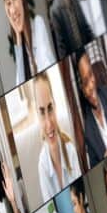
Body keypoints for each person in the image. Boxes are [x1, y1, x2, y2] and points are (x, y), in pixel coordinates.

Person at [1, 0, 56, 86]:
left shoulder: (38, 24)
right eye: (8, 3)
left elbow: (49, 72)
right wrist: (19, 40)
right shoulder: (18, 45)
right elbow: (20, 85)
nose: (13, 9)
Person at [34, 71, 82, 201]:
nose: (49, 123)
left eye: (50, 108)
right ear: (37, 115)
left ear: (55, 106)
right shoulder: (43, 166)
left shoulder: (70, 150)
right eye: (42, 112)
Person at [77, 52, 107, 166]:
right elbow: (94, 163)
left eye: (91, 75)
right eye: (85, 82)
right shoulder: (86, 127)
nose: (91, 85)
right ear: (81, 89)